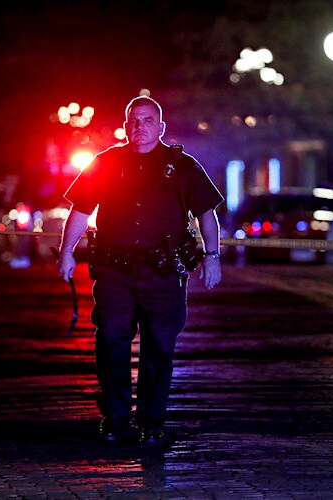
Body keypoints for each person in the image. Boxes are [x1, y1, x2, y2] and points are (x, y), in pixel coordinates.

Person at [57, 95, 224, 445]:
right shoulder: (106, 163)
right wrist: (65, 253)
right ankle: (116, 418)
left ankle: (152, 422)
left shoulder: (182, 166)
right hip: (115, 272)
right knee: (110, 341)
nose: (140, 128)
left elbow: (206, 214)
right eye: (134, 120)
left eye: (148, 121)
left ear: (160, 127)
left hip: (163, 274)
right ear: (125, 125)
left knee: (159, 347)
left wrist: (212, 256)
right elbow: (81, 210)